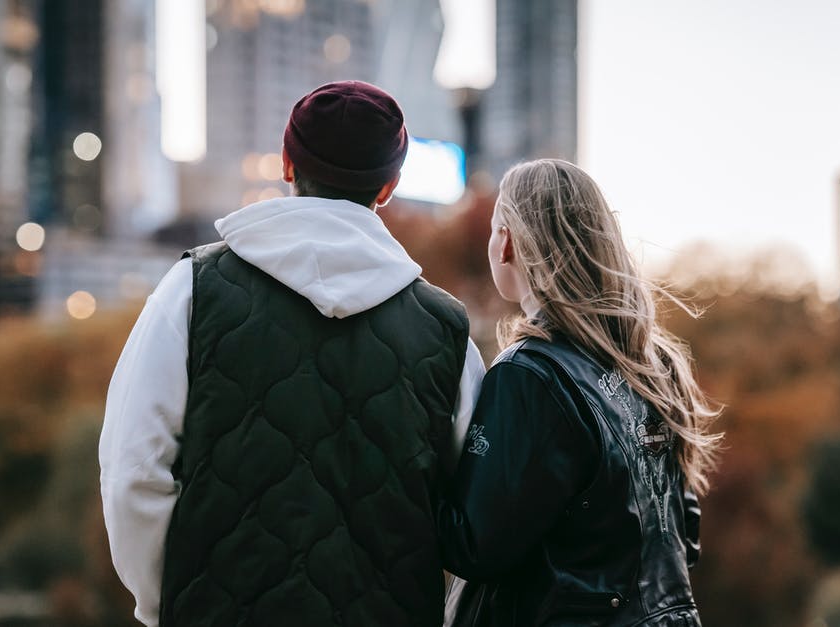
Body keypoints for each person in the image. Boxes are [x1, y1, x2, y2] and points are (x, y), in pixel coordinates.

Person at [99, 80, 485, 627]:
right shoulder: (448, 333)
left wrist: (167, 600)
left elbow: (133, 470)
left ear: (285, 164)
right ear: (390, 186)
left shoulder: (191, 290)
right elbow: (478, 515)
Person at [437, 159, 722, 626]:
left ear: (506, 242)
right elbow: (683, 536)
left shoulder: (531, 374)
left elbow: (472, 545)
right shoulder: (656, 364)